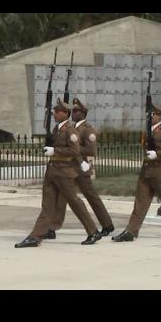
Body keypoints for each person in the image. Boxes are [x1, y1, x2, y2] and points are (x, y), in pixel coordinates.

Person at [15, 100, 102, 247]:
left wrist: (55, 151)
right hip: (53, 171)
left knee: (75, 203)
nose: (54, 114)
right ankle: (36, 236)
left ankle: (93, 231)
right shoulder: (57, 129)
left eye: (57, 111)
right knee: (47, 206)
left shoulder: (70, 130)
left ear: (65, 113)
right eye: (54, 111)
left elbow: (74, 150)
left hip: (64, 172)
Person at [112, 104, 161, 241]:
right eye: (149, 115)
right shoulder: (148, 132)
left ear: (159, 116)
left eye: (152, 114)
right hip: (146, 172)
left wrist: (157, 154)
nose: (149, 117)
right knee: (140, 202)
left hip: (158, 172)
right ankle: (131, 231)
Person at [46, 98, 114, 238]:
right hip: (68, 168)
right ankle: (52, 227)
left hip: (81, 168)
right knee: (62, 198)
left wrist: (72, 150)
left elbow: (91, 150)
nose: (73, 113)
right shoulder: (70, 128)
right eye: (73, 110)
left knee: (91, 196)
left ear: (83, 113)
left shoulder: (88, 130)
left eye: (76, 111)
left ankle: (107, 224)